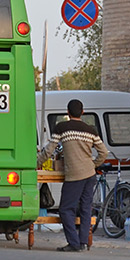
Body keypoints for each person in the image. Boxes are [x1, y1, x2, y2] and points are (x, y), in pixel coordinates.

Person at [38, 98, 113, 252]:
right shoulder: (90, 130)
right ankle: (83, 242)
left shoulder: (62, 128)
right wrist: (94, 164)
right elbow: (104, 151)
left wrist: (36, 163)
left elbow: (50, 150)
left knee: (66, 209)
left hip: (74, 175)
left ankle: (73, 243)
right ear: (83, 112)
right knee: (86, 208)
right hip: (90, 174)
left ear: (67, 112)